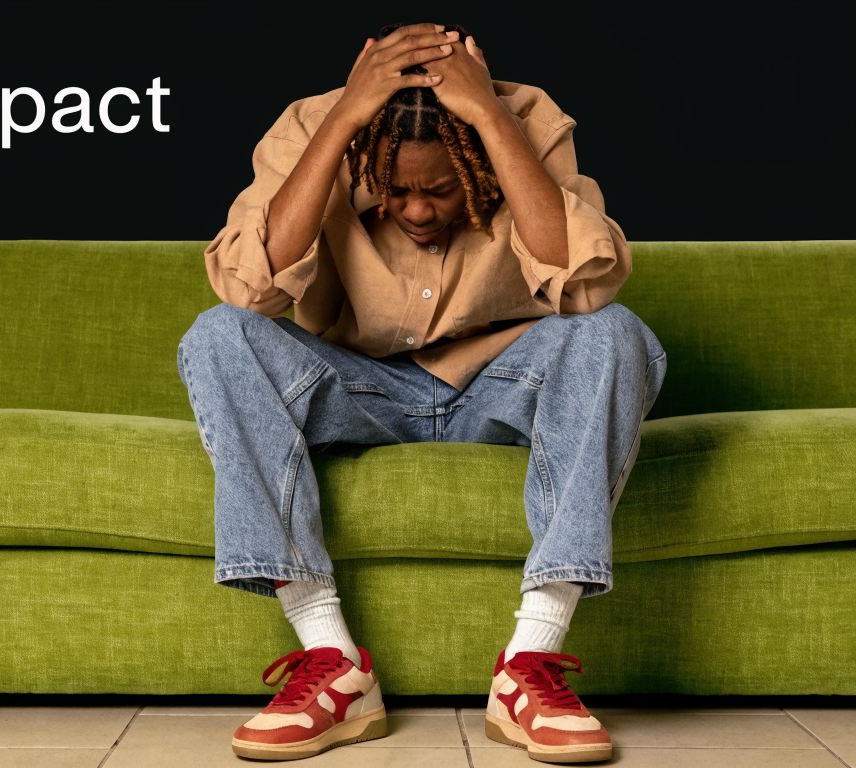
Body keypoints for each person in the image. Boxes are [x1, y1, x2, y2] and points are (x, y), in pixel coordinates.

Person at [176, 20, 667, 764]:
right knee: (217, 334)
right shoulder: (313, 126)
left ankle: (529, 661)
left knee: (615, 333)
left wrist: (491, 122)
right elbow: (249, 287)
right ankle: (333, 665)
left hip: (503, 387)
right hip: (353, 390)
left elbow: (588, 283)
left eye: (439, 190)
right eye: (392, 191)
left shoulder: (527, 119)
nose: (414, 211)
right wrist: (344, 120)